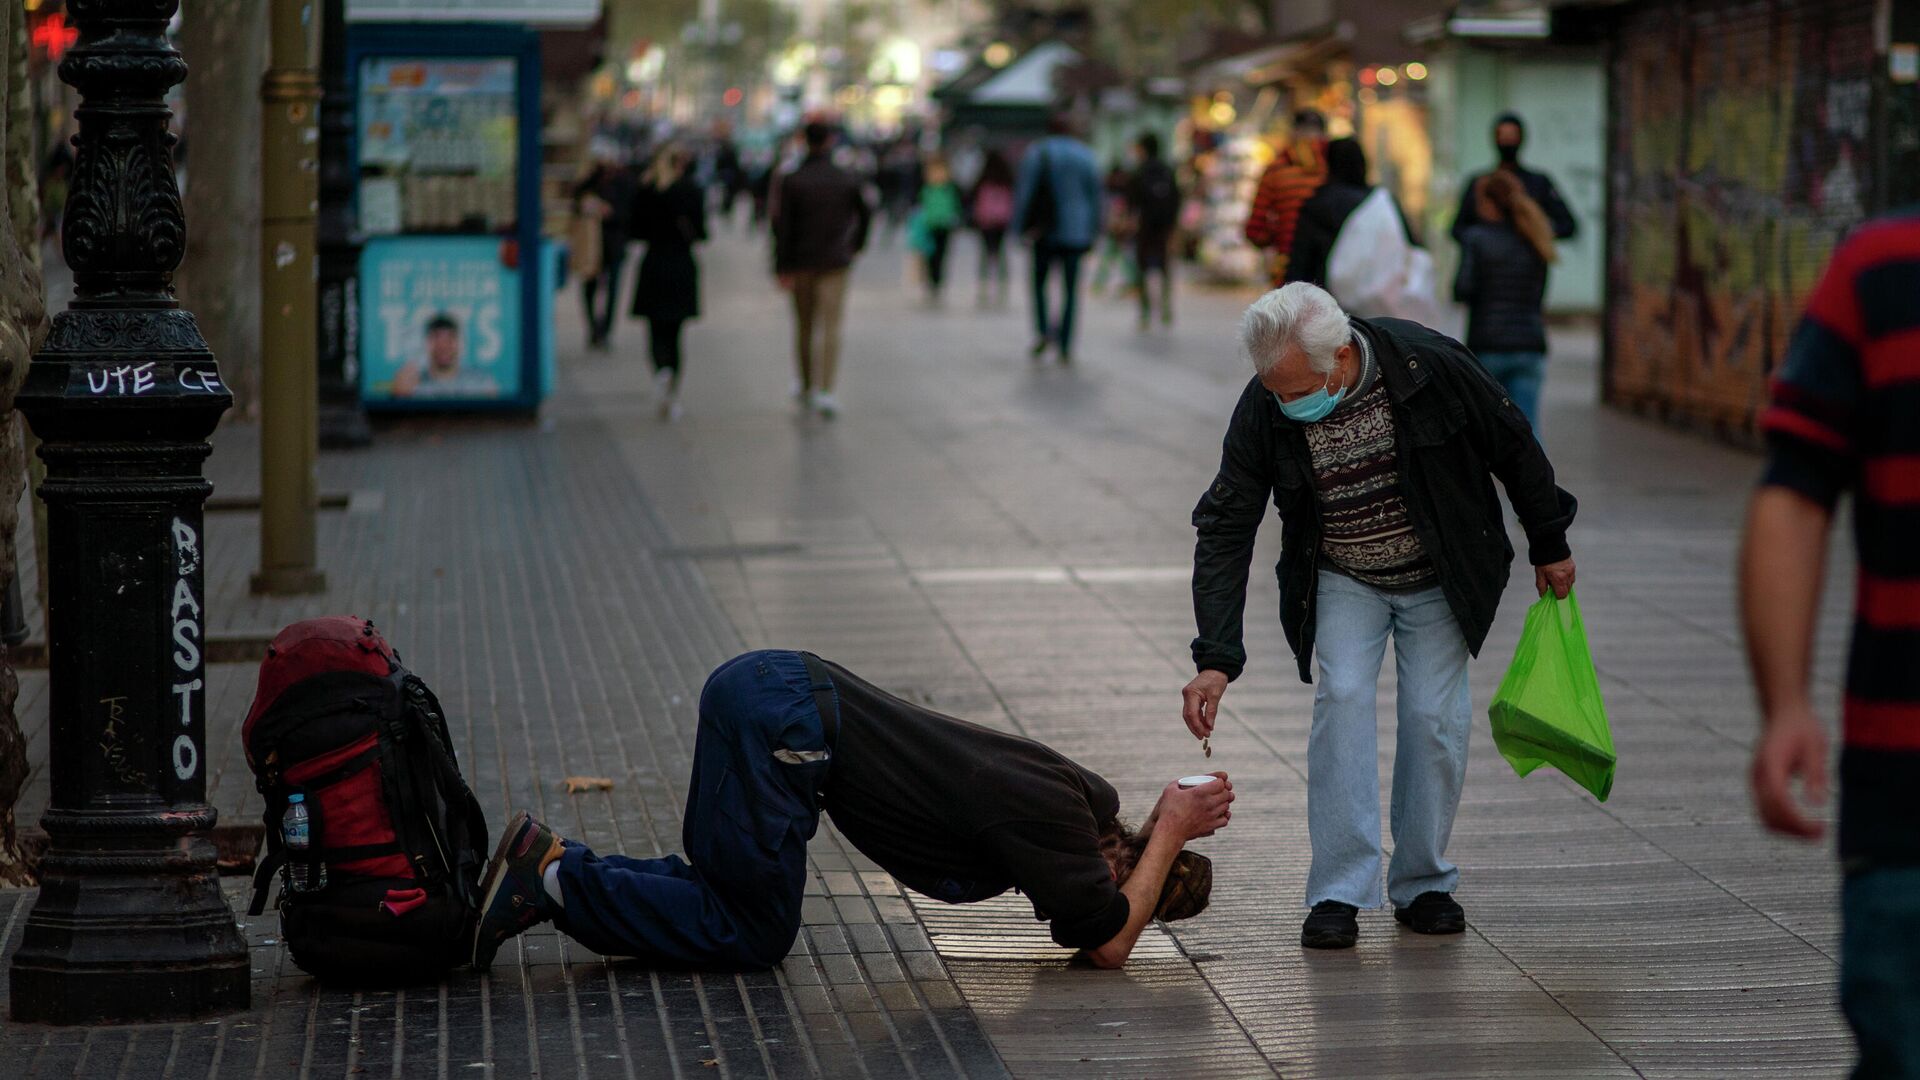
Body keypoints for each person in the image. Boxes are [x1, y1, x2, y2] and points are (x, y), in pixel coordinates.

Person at [1182, 282, 1576, 950]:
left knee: (1431, 717)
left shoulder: (1429, 366)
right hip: (1343, 574)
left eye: (1294, 388)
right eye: (1273, 390)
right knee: (1342, 696)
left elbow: (1512, 441)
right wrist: (1217, 658)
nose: (1284, 402)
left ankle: (1423, 881)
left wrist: (1550, 541)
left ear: (1339, 357)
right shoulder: (1267, 404)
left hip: (1440, 573)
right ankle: (1339, 889)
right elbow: (1226, 522)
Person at [472, 650, 1231, 972]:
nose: (1109, 896)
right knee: (755, 929)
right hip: (785, 718)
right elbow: (1103, 943)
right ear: (1123, 858)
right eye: (1129, 887)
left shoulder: (1060, 816)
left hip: (777, 700)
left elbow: (1087, 924)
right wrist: (1172, 827)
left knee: (729, 897)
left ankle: (553, 864)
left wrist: (1152, 848)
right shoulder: (1059, 822)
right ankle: (549, 882)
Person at [1739, 210, 1920, 1077]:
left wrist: (1786, 705)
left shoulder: (1882, 267)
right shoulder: (1880, 273)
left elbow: (1796, 492)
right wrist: (1784, 701)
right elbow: (1796, 494)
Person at [772, 120, 872, 419]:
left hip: (801, 261)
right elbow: (865, 212)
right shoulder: (845, 177)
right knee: (831, 326)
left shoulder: (793, 179)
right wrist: (854, 245)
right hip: (835, 262)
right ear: (830, 140)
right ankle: (826, 389)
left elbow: (781, 227)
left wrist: (781, 265)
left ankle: (805, 383)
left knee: (804, 325)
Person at [1453, 170, 1557, 429]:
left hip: (1489, 345)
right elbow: (1538, 293)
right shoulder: (1536, 239)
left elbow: (1462, 289)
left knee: (1486, 431)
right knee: (1528, 430)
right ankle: (1537, 472)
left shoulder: (1476, 239)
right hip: (1530, 344)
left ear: (1489, 203)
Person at [1013, 115, 1104, 365]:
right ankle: (1065, 340)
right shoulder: (1085, 155)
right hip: (1077, 231)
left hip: (1045, 231)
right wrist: (1097, 229)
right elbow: (1096, 196)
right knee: (1071, 289)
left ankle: (1043, 331)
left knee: (1039, 285)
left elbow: (1025, 193)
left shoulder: (1037, 153)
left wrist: (1018, 228)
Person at [628, 144, 707, 421]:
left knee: (655, 328)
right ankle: (672, 385)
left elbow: (634, 229)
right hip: (681, 264)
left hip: (653, 264)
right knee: (675, 331)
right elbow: (702, 232)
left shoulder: (647, 190)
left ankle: (660, 370)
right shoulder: (691, 190)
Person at [1449, 112, 1577, 245]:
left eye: (1512, 136)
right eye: (1503, 136)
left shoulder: (1539, 183)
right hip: (1490, 263)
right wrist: (1485, 240)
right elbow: (1458, 230)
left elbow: (1567, 226)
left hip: (1527, 263)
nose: (1508, 141)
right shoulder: (1479, 184)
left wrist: (1533, 233)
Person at [1244, 110, 1328, 287]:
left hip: (1288, 264)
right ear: (1325, 134)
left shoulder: (1276, 169)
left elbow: (1255, 229)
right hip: (1331, 268)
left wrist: (1280, 235)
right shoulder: (1334, 169)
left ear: (1292, 133)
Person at [1284, 138, 1379, 290]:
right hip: (1373, 295)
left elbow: (1301, 261)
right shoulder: (1378, 201)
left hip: (1326, 298)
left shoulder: (1317, 204)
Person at [571, 147, 635, 351]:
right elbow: (577, 197)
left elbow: (629, 212)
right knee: (589, 286)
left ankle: (605, 329)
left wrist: (609, 212)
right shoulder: (593, 179)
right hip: (592, 244)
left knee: (612, 289)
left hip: (614, 242)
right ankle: (593, 327)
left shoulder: (624, 181)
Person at [1126, 132, 1181, 330]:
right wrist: (1174, 227)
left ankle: (1145, 312)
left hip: (1145, 228)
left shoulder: (1139, 171)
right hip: (1164, 228)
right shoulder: (1167, 170)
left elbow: (1131, 202)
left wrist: (1130, 223)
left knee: (1142, 270)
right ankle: (1166, 308)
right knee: (1165, 269)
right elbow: (1176, 198)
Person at [391, 313, 500, 399]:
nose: (443, 346)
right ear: (426, 343)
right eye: (436, 338)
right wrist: (399, 397)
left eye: (450, 338)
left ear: (461, 344)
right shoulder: (410, 384)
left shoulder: (481, 382)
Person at [968, 148, 1017, 306]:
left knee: (985, 252)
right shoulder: (1007, 178)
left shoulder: (983, 178)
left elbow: (971, 195)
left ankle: (983, 287)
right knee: (1000, 252)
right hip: (1002, 219)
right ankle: (1002, 286)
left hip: (985, 219)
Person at [912, 153, 964, 302]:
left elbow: (956, 204)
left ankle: (936, 280)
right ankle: (933, 280)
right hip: (932, 224)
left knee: (939, 255)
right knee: (933, 255)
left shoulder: (948, 187)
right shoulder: (928, 187)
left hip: (943, 224)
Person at [1089, 161, 1136, 298]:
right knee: (1111, 258)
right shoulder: (1109, 190)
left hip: (1120, 230)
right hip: (1112, 230)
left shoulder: (1124, 192)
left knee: (1123, 259)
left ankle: (1130, 284)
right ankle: (1100, 284)